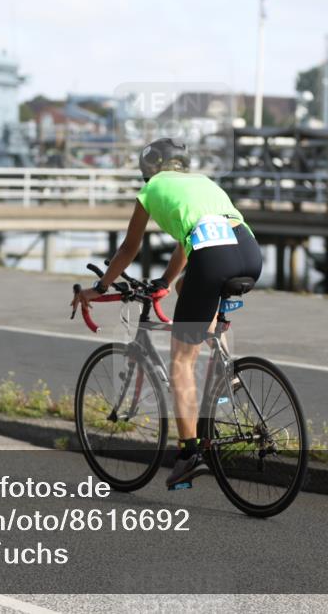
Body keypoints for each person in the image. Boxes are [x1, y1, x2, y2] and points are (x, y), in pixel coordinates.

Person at [71, 137, 262, 489]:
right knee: (183, 290)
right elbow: (189, 244)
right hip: (250, 252)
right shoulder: (202, 183)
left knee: (180, 362)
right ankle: (223, 364)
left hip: (213, 258)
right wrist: (165, 281)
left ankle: (190, 454)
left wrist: (98, 289)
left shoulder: (152, 188)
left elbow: (129, 248)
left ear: (150, 169)